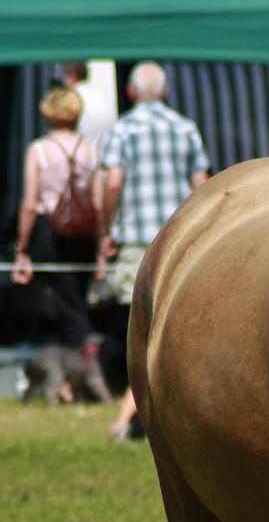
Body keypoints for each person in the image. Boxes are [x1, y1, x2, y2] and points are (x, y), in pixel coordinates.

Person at [98, 61, 210, 440]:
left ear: (130, 92)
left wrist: (106, 228)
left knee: (140, 334)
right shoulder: (185, 128)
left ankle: (130, 415)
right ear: (165, 91)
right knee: (175, 329)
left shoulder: (123, 128)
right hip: (181, 240)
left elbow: (112, 183)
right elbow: (203, 186)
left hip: (136, 241)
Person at [11, 86, 102, 380]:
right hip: (84, 235)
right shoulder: (90, 150)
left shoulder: (39, 150)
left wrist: (21, 248)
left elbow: (29, 204)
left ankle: (80, 373)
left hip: (51, 235)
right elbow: (98, 203)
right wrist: (102, 246)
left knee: (68, 308)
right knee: (75, 300)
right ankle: (78, 372)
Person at [61, 61, 119, 155]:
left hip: (79, 162)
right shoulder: (103, 98)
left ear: (71, 76)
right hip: (102, 161)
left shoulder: (72, 100)